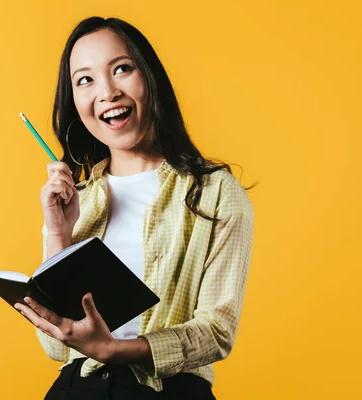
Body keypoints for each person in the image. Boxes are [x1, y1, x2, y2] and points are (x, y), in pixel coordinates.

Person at [13, 16, 254, 399]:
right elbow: (57, 347)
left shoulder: (214, 191)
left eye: (121, 69)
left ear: (150, 78)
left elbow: (218, 332)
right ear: (75, 103)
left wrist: (115, 350)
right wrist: (58, 233)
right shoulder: (78, 199)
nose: (107, 92)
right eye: (85, 80)